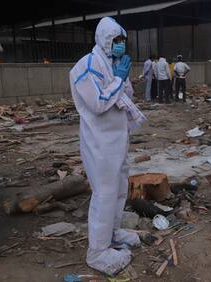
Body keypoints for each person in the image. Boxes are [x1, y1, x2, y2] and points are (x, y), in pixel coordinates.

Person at [69, 17, 146, 276]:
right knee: (104, 194)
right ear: (104, 40)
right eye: (116, 41)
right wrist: (118, 78)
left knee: (119, 188)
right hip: (100, 143)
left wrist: (122, 77)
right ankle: (98, 251)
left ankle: (113, 233)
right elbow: (99, 103)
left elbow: (125, 97)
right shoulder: (87, 66)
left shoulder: (111, 63)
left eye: (123, 41)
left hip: (117, 138)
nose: (120, 45)